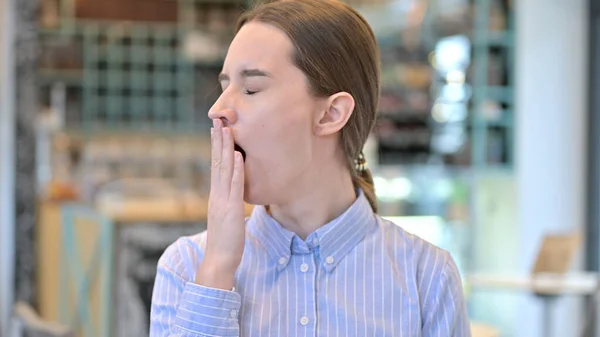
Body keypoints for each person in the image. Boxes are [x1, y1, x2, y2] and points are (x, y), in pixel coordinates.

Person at [150, 0, 471, 336]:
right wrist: (217, 267)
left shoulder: (428, 277)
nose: (217, 109)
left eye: (251, 88)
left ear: (331, 114)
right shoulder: (187, 266)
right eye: (224, 85)